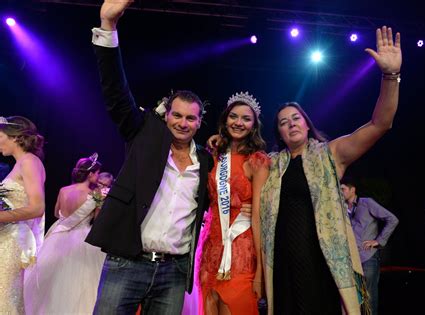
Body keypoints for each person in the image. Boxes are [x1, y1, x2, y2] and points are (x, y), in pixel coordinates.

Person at [260, 26, 402, 315]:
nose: (291, 123)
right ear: (279, 132)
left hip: (321, 264)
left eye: (296, 117)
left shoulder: (330, 155)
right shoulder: (271, 165)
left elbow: (380, 124)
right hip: (282, 266)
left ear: (307, 123)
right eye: (283, 122)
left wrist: (390, 76)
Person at [85, 2, 214, 314]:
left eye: (191, 119)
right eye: (177, 115)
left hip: (173, 272)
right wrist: (108, 26)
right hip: (127, 262)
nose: (183, 123)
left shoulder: (207, 162)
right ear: (165, 115)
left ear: (200, 122)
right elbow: (116, 92)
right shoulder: (144, 134)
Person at [199, 92, 269, 314]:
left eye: (246, 119)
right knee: (210, 305)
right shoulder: (216, 153)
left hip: (242, 248)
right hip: (213, 245)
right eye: (234, 116)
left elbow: (258, 215)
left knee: (235, 306)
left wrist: (260, 270)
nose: (238, 123)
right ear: (225, 119)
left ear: (254, 125)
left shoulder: (258, 161)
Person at [24, 153, 107, 315]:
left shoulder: (63, 190)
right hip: (83, 238)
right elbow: (98, 219)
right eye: (97, 173)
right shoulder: (95, 195)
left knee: (52, 279)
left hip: (58, 235)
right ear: (90, 174)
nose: (98, 177)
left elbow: (56, 213)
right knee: (80, 280)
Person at [0, 116, 45, 314]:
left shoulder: (30, 161)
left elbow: (37, 207)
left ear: (15, 137)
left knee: (5, 298)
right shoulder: (20, 163)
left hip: (14, 241)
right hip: (6, 237)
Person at [340, 177, 399, 315]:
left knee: (369, 296)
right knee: (352, 297)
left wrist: (378, 241)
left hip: (367, 257)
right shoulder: (341, 208)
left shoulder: (366, 203)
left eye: (343, 189)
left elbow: (392, 219)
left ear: (352, 189)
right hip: (349, 259)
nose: (340, 192)